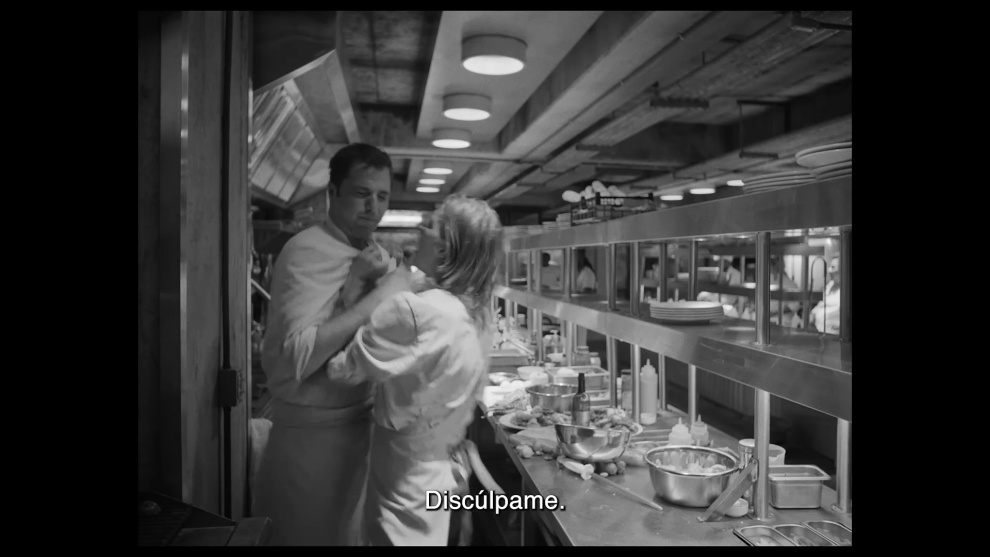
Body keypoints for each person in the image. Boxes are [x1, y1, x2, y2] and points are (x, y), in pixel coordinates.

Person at [253, 143, 421, 546]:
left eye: (382, 196)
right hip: (311, 445)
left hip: (361, 436)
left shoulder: (374, 256)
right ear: (333, 193)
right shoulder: (306, 251)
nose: (373, 207)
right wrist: (379, 295)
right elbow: (298, 357)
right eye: (362, 194)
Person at [325, 195, 505, 546]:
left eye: (431, 224)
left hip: (404, 480)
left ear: (444, 249)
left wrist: (357, 291)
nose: (420, 229)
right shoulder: (478, 313)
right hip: (443, 476)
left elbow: (341, 370)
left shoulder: (414, 311)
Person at [810, 256, 841, 335]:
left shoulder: (846, 290)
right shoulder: (830, 285)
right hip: (820, 331)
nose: (829, 270)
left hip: (835, 334)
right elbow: (821, 304)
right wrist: (813, 313)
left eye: (833, 267)